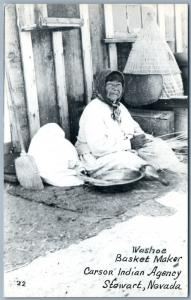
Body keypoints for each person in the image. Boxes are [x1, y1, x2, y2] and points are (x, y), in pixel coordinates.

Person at [75, 69, 183, 182]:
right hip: (98, 157)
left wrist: (145, 139)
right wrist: (130, 144)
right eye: (110, 85)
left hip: (124, 148)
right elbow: (98, 148)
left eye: (118, 85)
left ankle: (157, 169)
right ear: (101, 86)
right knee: (127, 160)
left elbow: (134, 128)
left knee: (160, 147)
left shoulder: (119, 106)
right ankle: (151, 173)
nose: (115, 89)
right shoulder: (93, 110)